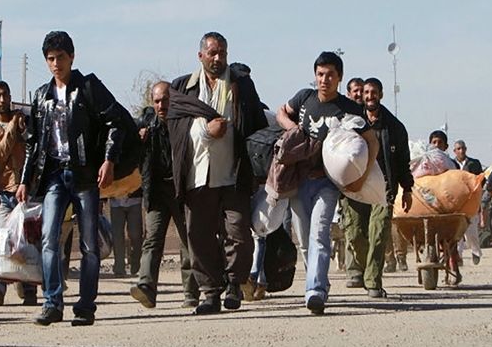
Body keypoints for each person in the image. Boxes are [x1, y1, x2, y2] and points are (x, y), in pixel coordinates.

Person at [17, 31, 133, 326]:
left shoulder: (89, 87)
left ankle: (85, 306)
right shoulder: (41, 95)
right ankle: (52, 303)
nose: (56, 64)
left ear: (72, 57)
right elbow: (32, 142)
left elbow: (115, 122)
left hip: (85, 175)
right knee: (49, 238)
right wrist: (23, 179)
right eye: (51, 59)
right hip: (55, 174)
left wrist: (108, 160)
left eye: (61, 57)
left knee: (90, 245)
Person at [167, 32, 267, 315]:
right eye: (212, 53)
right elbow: (175, 129)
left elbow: (257, 125)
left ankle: (234, 284)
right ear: (200, 55)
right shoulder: (183, 88)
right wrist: (205, 130)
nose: (217, 58)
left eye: (222, 52)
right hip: (197, 176)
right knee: (198, 236)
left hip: (233, 175)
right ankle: (210, 292)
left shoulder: (241, 85)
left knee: (239, 234)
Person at [276, 53, 377, 314]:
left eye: (330, 75)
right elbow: (281, 112)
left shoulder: (349, 109)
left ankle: (315, 290)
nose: (324, 80)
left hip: (327, 184)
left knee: (320, 233)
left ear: (339, 77)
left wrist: (362, 177)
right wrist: (293, 130)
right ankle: (318, 281)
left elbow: (371, 141)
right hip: (299, 180)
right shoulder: (304, 99)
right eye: (320, 74)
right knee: (305, 241)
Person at [130, 81, 200, 308]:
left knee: (188, 241)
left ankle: (191, 293)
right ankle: (146, 287)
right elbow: (129, 151)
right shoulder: (145, 124)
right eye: (158, 101)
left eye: (166, 100)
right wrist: (137, 141)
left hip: (182, 190)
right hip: (156, 192)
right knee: (152, 240)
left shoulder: (185, 122)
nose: (162, 105)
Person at [342, 77, 413, 298]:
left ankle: (373, 282)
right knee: (354, 234)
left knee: (379, 233)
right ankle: (364, 270)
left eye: (374, 92)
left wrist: (407, 188)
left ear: (381, 95)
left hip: (384, 188)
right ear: (362, 96)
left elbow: (403, 161)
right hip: (355, 187)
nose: (370, 96)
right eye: (366, 93)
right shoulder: (352, 122)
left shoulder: (395, 127)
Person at [0, 81, 38, 306]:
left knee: (28, 241)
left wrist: (20, 127)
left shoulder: (25, 124)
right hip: (2, 193)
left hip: (23, 191)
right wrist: (13, 125)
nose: (2, 100)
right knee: (2, 240)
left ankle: (29, 288)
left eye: (5, 95)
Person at [452, 139, 483, 265]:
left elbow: (481, 180)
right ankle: (458, 256)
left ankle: (476, 252)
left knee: (471, 231)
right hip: (456, 201)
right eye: (458, 149)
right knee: (457, 231)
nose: (461, 151)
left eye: (463, 148)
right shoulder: (451, 164)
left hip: (471, 200)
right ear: (454, 151)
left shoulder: (474, 163)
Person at [109, 189, 143, 277]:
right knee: (117, 236)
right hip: (115, 201)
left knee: (136, 233)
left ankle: (136, 264)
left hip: (134, 199)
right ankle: (119, 267)